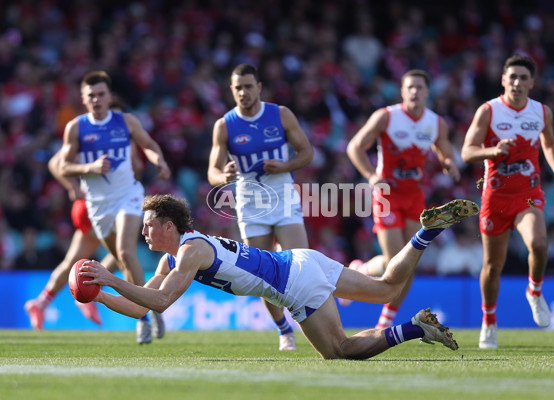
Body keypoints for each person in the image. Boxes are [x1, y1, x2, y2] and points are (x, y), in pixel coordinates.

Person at [78, 194, 479, 360]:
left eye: (148, 225)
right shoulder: (177, 257)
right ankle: (425, 235)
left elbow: (161, 302)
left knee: (338, 351)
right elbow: (140, 306)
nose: (143, 232)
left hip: (292, 283)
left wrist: (110, 279)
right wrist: (98, 295)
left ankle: (413, 329)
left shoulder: (191, 251)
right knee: (387, 288)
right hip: (299, 261)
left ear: (168, 225)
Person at [460, 54, 554, 349]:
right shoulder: (489, 112)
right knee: (493, 266)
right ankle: (489, 322)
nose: (517, 83)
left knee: (539, 243)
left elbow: (549, 143)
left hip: (527, 195)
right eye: (512, 77)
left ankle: (534, 291)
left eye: (523, 78)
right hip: (495, 197)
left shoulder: (541, 112)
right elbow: (467, 152)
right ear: (503, 80)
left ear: (532, 83)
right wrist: (492, 151)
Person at [56, 71, 172, 344]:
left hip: (128, 196)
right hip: (97, 205)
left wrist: (160, 161)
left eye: (101, 94)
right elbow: (62, 166)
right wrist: (89, 168)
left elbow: (149, 144)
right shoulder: (76, 127)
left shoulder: (126, 121)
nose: (96, 99)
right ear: (83, 99)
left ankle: (143, 313)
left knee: (125, 250)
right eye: (91, 95)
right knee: (121, 259)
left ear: (110, 97)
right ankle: (149, 308)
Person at [207, 64, 314, 351]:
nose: (243, 92)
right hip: (250, 203)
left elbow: (307, 152)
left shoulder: (280, 114)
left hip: (282, 196)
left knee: (301, 264)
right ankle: (283, 330)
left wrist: (286, 165)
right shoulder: (225, 125)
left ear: (259, 87)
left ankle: (314, 326)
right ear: (232, 90)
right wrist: (224, 177)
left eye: (248, 86)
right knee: (263, 274)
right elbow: (212, 172)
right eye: (238, 87)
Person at [346, 69, 460, 329]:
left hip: (414, 197)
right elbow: (354, 147)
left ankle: (382, 314)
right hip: (386, 194)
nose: (414, 92)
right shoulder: (386, 117)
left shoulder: (436, 123)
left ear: (427, 92)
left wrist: (449, 163)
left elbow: (445, 151)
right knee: (396, 259)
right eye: (410, 87)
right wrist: (370, 175)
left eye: (419, 87)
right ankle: (375, 302)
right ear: (402, 91)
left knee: (407, 263)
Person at [24, 100, 149, 331]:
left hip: (96, 206)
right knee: (122, 252)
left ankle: (41, 302)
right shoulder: (94, 136)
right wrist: (71, 186)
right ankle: (96, 294)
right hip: (93, 206)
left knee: (78, 259)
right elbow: (55, 163)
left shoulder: (121, 140)